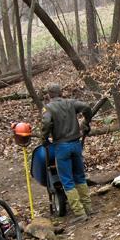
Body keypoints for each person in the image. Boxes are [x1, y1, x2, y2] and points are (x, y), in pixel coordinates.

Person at [40, 83, 94, 223]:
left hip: (61, 147)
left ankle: (80, 213)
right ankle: (89, 208)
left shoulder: (48, 108)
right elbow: (87, 107)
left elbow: (46, 123)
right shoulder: (71, 103)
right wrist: (87, 121)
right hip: (76, 145)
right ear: (61, 92)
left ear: (49, 94)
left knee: (67, 181)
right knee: (80, 176)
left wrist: (44, 138)